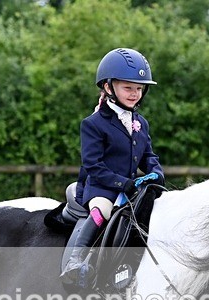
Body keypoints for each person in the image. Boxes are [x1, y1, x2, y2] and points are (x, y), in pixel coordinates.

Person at [60, 48, 165, 284]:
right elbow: (93, 165)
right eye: (128, 88)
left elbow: (148, 155)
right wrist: (124, 183)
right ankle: (75, 262)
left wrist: (156, 173)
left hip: (131, 190)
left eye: (139, 88)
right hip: (101, 188)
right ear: (108, 87)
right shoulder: (93, 124)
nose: (134, 94)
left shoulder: (141, 123)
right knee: (102, 212)